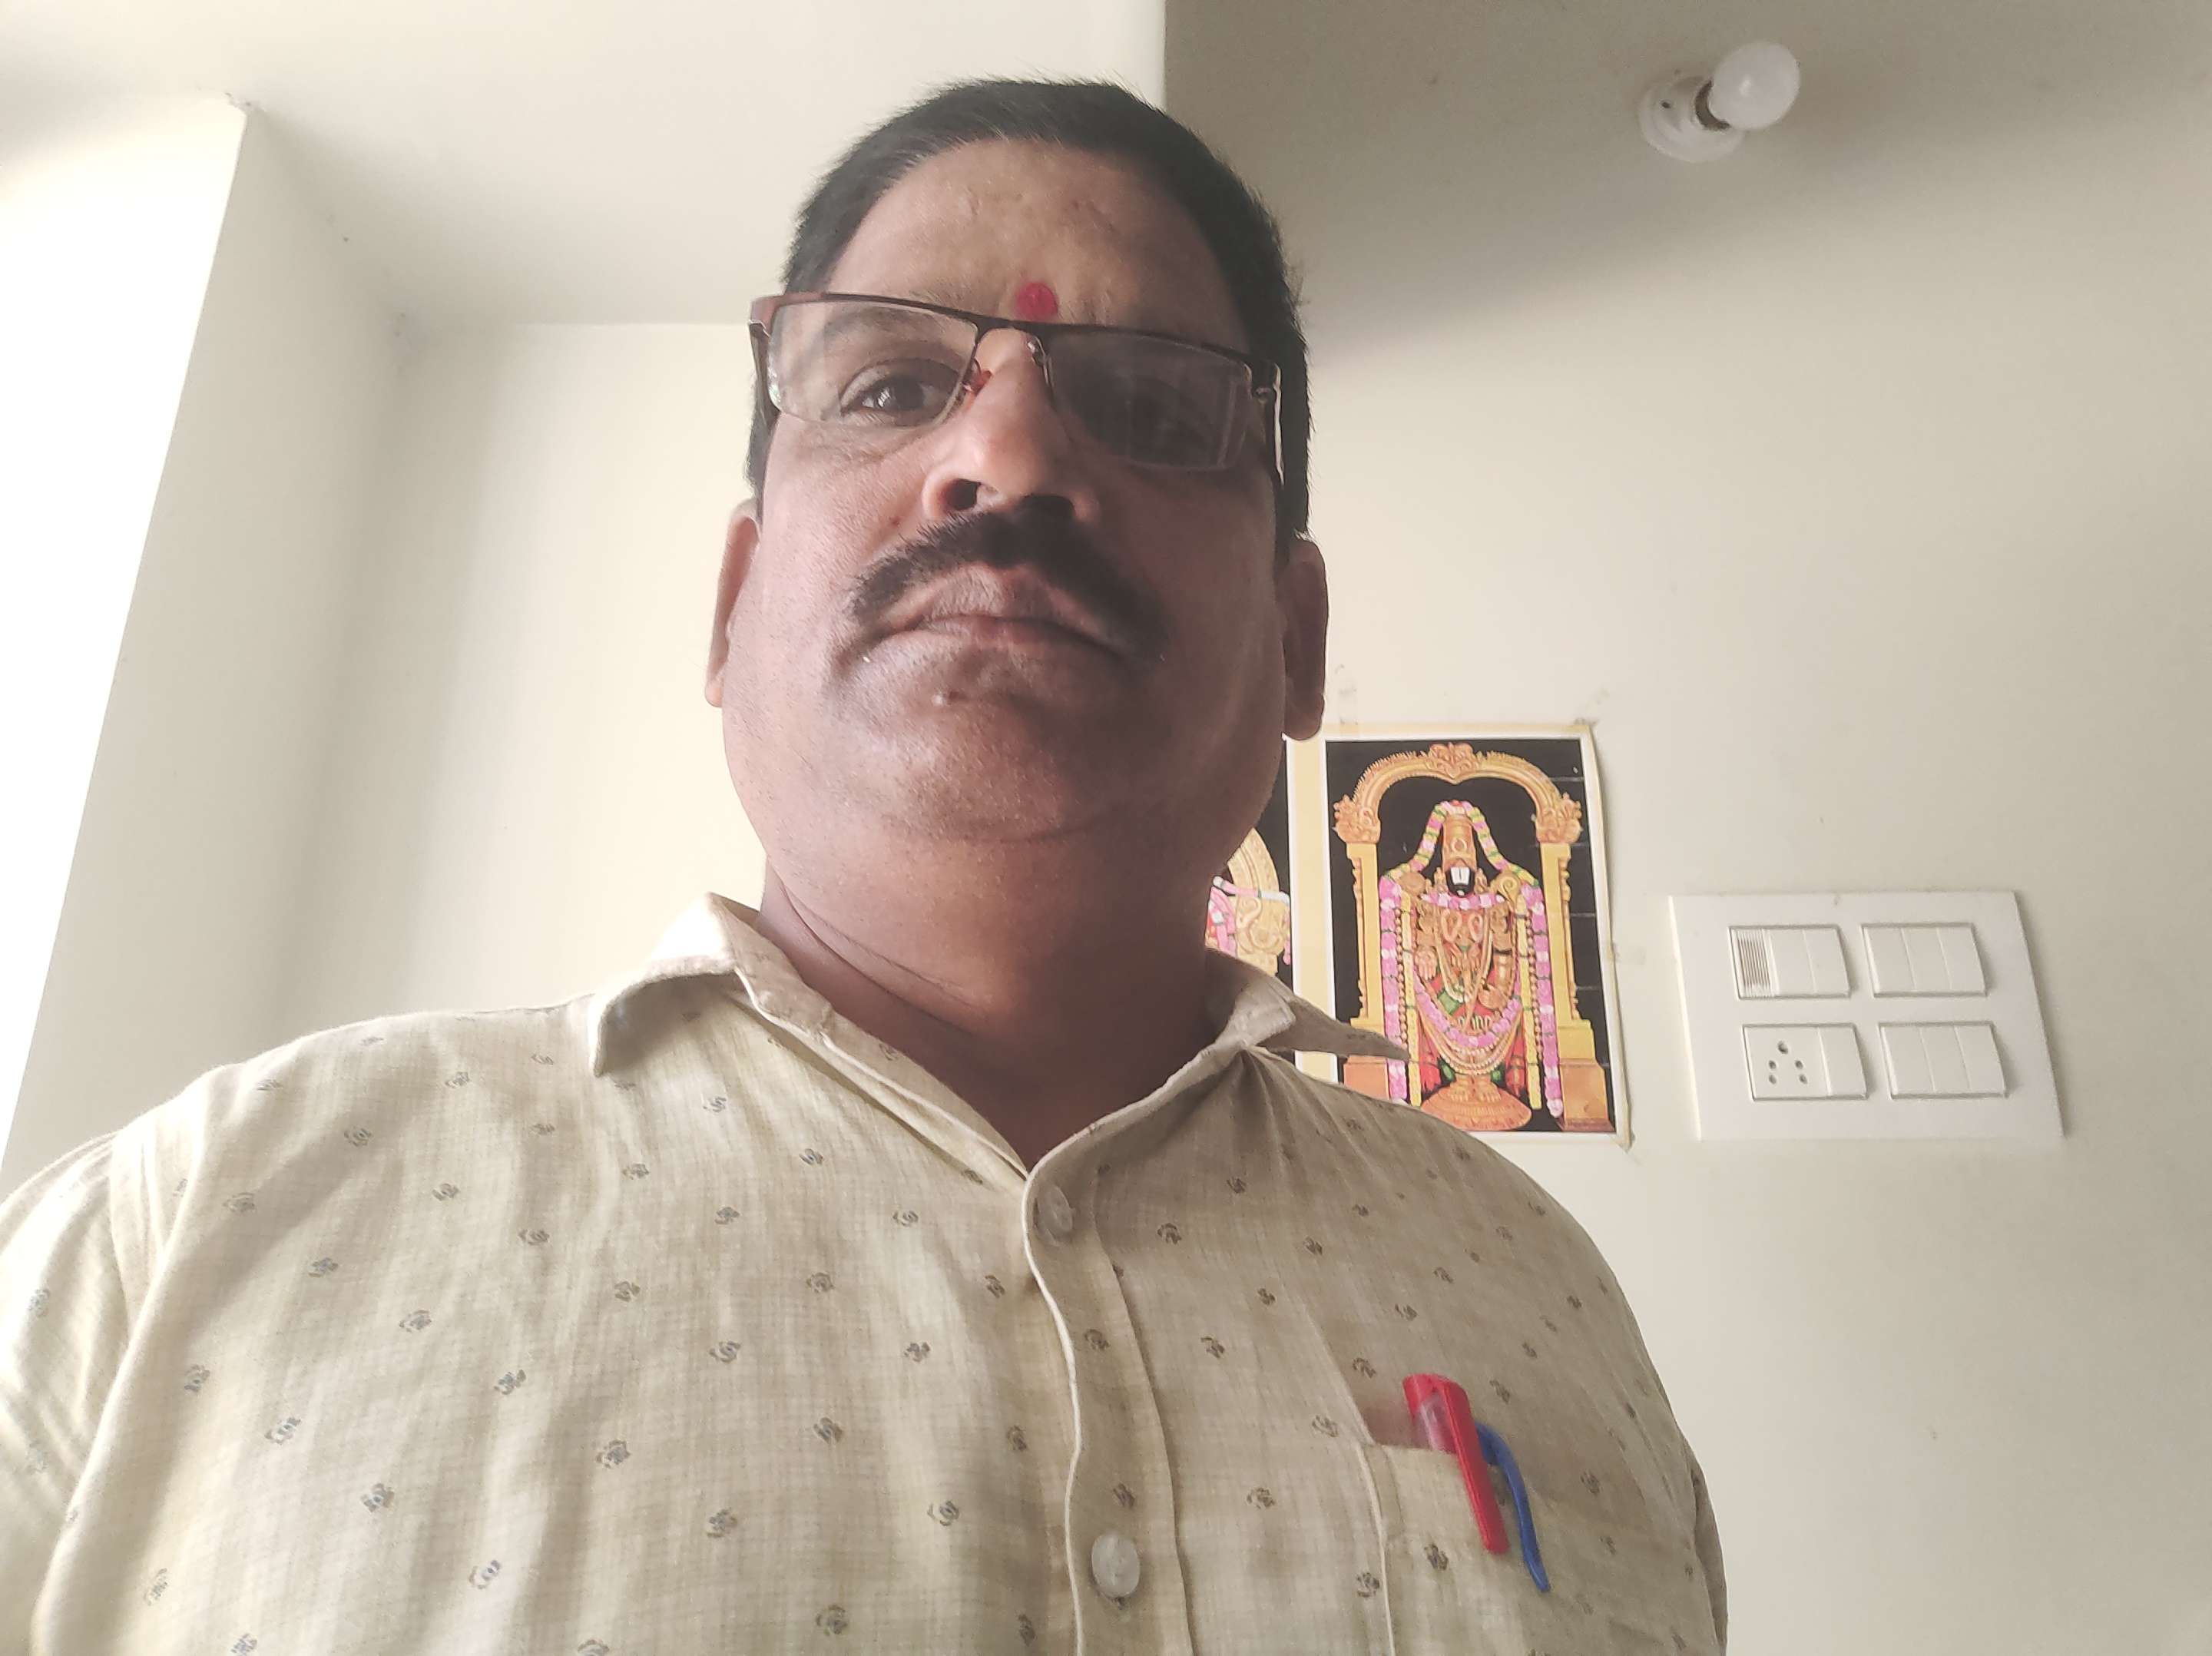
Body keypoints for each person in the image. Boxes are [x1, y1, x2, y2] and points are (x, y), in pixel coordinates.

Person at [0, 79, 1724, 1653]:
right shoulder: (189, 1226)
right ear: (732, 606)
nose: (1009, 455)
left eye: (1148, 403)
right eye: (892, 387)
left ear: (1297, 640)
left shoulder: (1537, 1286)